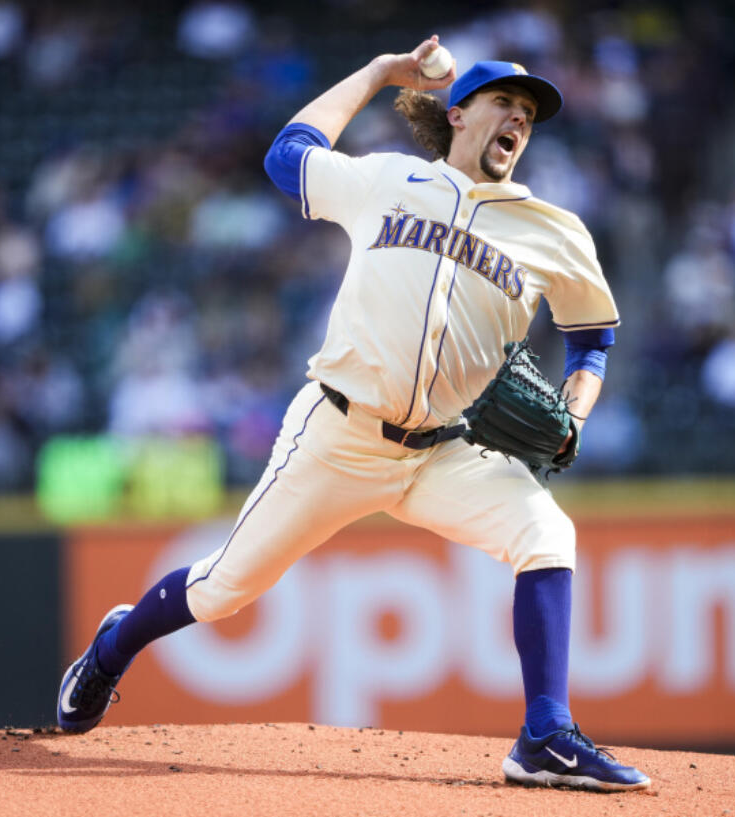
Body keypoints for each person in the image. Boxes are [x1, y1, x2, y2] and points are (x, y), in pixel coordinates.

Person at [57, 36, 650, 793]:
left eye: (530, 114)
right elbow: (286, 155)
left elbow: (592, 339)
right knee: (223, 589)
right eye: (505, 102)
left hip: (447, 449)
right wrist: (377, 74)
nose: (519, 120)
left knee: (547, 534)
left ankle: (544, 735)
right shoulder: (387, 179)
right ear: (459, 112)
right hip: (339, 433)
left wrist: (577, 407)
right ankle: (112, 649)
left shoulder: (553, 229)